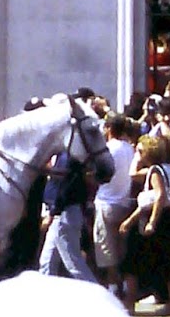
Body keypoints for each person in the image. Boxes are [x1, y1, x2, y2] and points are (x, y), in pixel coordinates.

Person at [118, 131, 170, 315]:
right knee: (168, 261)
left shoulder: (154, 171)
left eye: (140, 151)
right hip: (167, 219)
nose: (137, 155)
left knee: (132, 261)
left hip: (154, 220)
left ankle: (129, 303)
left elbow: (158, 196)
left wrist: (151, 222)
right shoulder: (167, 169)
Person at [92, 114, 137, 296]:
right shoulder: (130, 149)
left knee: (107, 249)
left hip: (106, 202)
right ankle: (124, 284)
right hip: (124, 203)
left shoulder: (107, 149)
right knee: (121, 248)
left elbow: (96, 174)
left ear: (109, 128)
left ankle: (113, 286)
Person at [39, 146, 97, 284]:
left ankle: (97, 292)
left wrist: (52, 213)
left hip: (63, 214)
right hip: (63, 213)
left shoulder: (67, 158)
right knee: (47, 262)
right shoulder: (64, 156)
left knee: (74, 263)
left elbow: (63, 188)